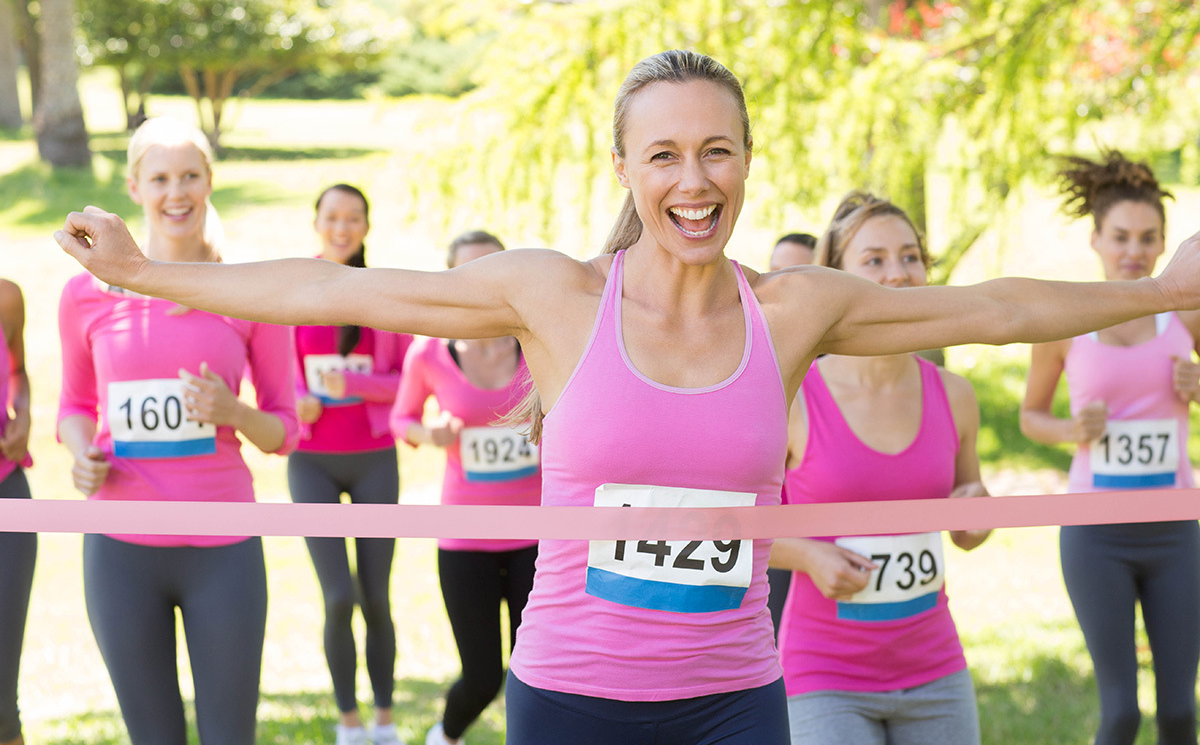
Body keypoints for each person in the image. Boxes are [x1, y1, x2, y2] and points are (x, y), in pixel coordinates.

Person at [54, 50, 1200, 745]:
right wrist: (146, 271)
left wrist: (1157, 289)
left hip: (737, 701)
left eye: (717, 153)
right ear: (623, 170)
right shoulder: (553, 296)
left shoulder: (794, 310)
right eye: (663, 157)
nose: (693, 183)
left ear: (748, 160)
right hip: (571, 699)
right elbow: (326, 281)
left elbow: (993, 309)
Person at [56, 117, 299, 745]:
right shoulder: (84, 296)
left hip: (224, 547)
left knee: (228, 737)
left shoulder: (251, 292)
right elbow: (75, 406)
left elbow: (285, 430)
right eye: (160, 177)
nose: (177, 191)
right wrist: (81, 451)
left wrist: (235, 413)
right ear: (135, 188)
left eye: (190, 175)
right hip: (119, 547)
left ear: (210, 181)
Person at [772, 192, 991, 745]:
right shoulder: (794, 398)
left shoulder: (956, 395)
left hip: (936, 667)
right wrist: (806, 553)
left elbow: (968, 511)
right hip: (824, 676)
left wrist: (977, 508)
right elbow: (735, 526)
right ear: (836, 276)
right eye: (874, 260)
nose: (898, 273)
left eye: (911, 256)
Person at [1020, 151, 1200, 745]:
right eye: (1120, 237)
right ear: (1096, 239)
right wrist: (1071, 430)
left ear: (1163, 245)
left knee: (1179, 712)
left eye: (1148, 239)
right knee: (1120, 713)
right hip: (1096, 534)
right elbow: (1031, 417)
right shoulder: (1068, 324)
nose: (1134, 251)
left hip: (1179, 529)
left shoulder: (1187, 317)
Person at [389, 230, 539, 745]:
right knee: (482, 675)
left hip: (539, 538)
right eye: (470, 272)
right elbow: (400, 419)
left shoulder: (539, 344)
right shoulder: (428, 354)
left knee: (539, 671)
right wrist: (429, 433)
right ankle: (444, 736)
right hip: (465, 540)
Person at [290, 184, 412, 745]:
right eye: (332, 217)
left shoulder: (381, 294)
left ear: (366, 225)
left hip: (373, 462)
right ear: (316, 222)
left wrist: (354, 383)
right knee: (339, 596)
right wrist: (297, 397)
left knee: (376, 595)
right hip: (312, 462)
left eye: (353, 218)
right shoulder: (291, 289)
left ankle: (384, 719)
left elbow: (406, 384)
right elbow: (271, 372)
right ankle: (348, 721)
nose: (342, 228)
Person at [765, 231, 817, 638]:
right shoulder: (751, 348)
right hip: (766, 538)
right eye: (775, 270)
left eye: (796, 273)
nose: (781, 283)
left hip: (821, 534)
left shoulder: (838, 367)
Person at [0, 278, 33, 745]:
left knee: (2, 702)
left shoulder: (6, 296)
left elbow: (19, 371)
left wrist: (23, 413)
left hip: (8, 496)